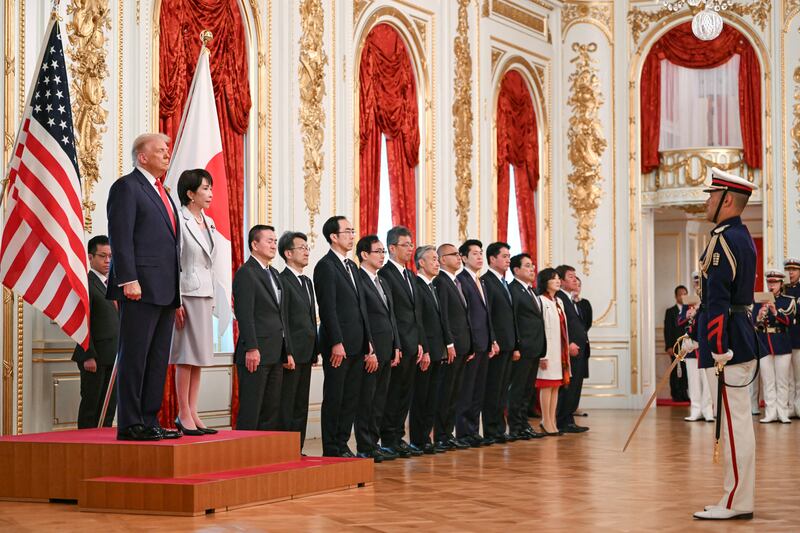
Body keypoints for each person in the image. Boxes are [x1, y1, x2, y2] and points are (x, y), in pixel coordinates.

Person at [693, 168, 759, 520]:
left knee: (734, 427)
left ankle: (737, 500)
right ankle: (733, 495)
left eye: (711, 195)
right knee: (735, 424)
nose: (707, 201)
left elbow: (718, 300)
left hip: (728, 344)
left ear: (727, 200)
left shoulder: (724, 239)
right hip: (734, 337)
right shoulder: (738, 236)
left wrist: (716, 347)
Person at [107, 133, 181, 441]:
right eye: (160, 150)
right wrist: (128, 279)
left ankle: (149, 419)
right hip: (138, 287)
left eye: (167, 150)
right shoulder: (127, 187)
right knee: (135, 356)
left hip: (165, 289)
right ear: (142, 157)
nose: (167, 154)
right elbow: (120, 237)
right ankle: (130, 423)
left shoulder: (163, 191)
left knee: (157, 358)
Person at [314, 216, 373, 458]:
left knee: (350, 399)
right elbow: (327, 309)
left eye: (352, 230)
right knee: (335, 398)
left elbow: (362, 307)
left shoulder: (352, 267)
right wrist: (336, 342)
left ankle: (342, 443)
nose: (352, 235)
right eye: (347, 231)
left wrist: (368, 341)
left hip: (358, 344)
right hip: (338, 345)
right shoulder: (325, 266)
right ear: (334, 237)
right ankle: (331, 447)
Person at [170, 169, 219, 436]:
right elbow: (173, 261)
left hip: (204, 293)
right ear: (190, 193)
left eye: (210, 188)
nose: (210, 193)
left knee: (199, 357)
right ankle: (182, 412)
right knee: (185, 356)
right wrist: (175, 299)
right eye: (204, 189)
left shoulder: (208, 221)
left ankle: (193, 409)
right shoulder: (179, 218)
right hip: (186, 293)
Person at [232, 225, 290, 431]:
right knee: (252, 408)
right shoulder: (246, 273)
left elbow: (281, 315)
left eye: (275, 241)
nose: (274, 245)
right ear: (254, 245)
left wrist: (287, 350)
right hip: (255, 352)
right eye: (269, 240)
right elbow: (244, 315)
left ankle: (264, 455)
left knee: (270, 408)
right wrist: (251, 348)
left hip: (275, 352)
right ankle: (243, 456)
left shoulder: (273, 273)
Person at [379, 226, 425, 457]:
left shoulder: (410, 275)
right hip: (397, 344)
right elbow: (392, 314)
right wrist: (397, 343)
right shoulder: (385, 274)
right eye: (405, 245)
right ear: (392, 248)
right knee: (392, 393)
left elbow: (417, 314)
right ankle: (387, 439)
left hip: (413, 343)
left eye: (411, 244)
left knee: (405, 394)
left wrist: (420, 343)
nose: (410, 249)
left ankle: (398, 437)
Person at [354, 235, 400, 463]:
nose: (383, 256)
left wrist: (396, 346)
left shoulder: (382, 280)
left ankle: (374, 442)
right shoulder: (358, 279)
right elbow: (362, 319)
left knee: (380, 399)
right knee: (367, 400)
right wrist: (368, 349)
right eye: (378, 252)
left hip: (387, 348)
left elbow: (391, 316)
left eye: (383, 251)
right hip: (371, 350)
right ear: (364, 254)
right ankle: (364, 445)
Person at [278, 231, 319, 451]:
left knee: (301, 405)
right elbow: (283, 319)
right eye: (301, 247)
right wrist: (288, 352)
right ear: (287, 253)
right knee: (288, 403)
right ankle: (284, 448)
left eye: (307, 248)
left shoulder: (307, 281)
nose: (306, 251)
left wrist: (315, 350)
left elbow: (311, 319)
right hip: (291, 354)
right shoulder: (282, 280)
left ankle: (297, 448)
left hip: (307, 351)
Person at [72, 236, 119, 429]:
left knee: (109, 408)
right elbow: (81, 322)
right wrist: (88, 355)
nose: (108, 260)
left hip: (115, 357)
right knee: (91, 407)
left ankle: (104, 447)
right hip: (94, 358)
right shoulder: (86, 284)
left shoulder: (115, 284)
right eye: (102, 256)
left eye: (110, 256)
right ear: (90, 257)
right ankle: (85, 448)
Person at [411, 245, 454, 454]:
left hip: (438, 350)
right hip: (426, 351)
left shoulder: (434, 286)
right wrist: (425, 349)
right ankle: (419, 439)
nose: (437, 263)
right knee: (422, 397)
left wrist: (447, 345)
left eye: (438, 259)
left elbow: (442, 319)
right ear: (421, 263)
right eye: (433, 259)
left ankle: (427, 438)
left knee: (433, 397)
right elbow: (419, 322)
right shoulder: (417, 285)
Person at [456, 239, 499, 447]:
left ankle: (473, 431)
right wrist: (472, 344)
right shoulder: (461, 280)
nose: (480, 256)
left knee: (478, 391)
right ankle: (463, 433)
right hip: (472, 345)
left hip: (485, 343)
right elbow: (466, 317)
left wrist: (493, 340)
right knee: (467, 390)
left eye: (481, 253)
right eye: (475, 253)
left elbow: (486, 314)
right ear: (463, 258)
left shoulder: (480, 281)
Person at [432, 244, 472, 451]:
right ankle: (440, 435)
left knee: (455, 392)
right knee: (445, 392)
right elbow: (444, 317)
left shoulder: (457, 282)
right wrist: (449, 343)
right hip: (451, 347)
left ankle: (448, 434)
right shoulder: (440, 281)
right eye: (454, 254)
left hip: (463, 346)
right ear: (441, 259)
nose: (458, 257)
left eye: (458, 254)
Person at [480, 242, 518, 442]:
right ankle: (490, 429)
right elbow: (489, 316)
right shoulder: (486, 281)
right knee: (492, 389)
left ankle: (499, 428)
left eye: (509, 256)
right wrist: (493, 340)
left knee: (502, 389)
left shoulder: (505, 283)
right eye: (504, 256)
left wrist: (515, 344)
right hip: (496, 345)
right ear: (492, 259)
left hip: (509, 344)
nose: (508, 260)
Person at [507, 253, 546, 440]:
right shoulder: (513, 289)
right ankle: (515, 426)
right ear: (516, 270)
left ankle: (524, 425)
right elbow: (513, 320)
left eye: (533, 265)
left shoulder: (531, 290)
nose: (532, 269)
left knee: (527, 390)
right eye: (528, 266)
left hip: (535, 347)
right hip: (523, 348)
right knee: (518, 389)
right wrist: (517, 346)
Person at [754, 270, 795, 424]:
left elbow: (789, 320)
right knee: (768, 381)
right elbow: (753, 324)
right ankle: (771, 412)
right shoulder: (759, 301)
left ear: (780, 284)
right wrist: (759, 316)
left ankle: (783, 412)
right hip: (765, 344)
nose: (771, 286)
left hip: (782, 344)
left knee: (782, 381)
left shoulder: (788, 301)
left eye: (774, 283)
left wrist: (774, 311)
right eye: (769, 282)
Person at [554, 265, 589, 433]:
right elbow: (561, 325)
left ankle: (568, 419)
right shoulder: (559, 297)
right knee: (568, 386)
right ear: (560, 281)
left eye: (575, 276)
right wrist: (568, 344)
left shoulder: (570, 298)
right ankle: (562, 420)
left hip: (579, 349)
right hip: (570, 349)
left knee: (575, 386)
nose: (575, 279)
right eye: (570, 277)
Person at [535, 268, 569, 436]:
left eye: (558, 278)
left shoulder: (559, 302)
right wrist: (543, 354)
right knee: (546, 386)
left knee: (556, 387)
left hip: (559, 351)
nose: (558, 281)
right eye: (553, 278)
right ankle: (545, 420)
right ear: (545, 282)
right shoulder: (541, 300)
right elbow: (540, 329)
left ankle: (552, 420)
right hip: (547, 351)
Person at [678, 272, 714, 422]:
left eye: (701, 283)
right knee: (693, 380)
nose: (698, 286)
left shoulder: (710, 300)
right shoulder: (688, 302)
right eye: (696, 283)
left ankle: (707, 410)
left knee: (707, 381)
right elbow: (679, 321)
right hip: (692, 348)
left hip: (706, 345)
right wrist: (687, 315)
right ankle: (695, 409)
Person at [665, 285, 690, 402]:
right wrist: (669, 346)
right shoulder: (670, 311)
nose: (683, 296)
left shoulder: (691, 310)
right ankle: (675, 393)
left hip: (688, 345)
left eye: (685, 294)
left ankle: (684, 392)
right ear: (676, 296)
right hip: (675, 345)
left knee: (686, 370)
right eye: (680, 294)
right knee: (675, 371)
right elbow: (667, 329)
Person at [573, 276, 593, 417]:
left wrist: (577, 303)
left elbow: (587, 323)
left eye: (579, 285)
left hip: (583, 345)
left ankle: (575, 406)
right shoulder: (564, 301)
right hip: (570, 346)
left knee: (579, 379)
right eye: (575, 284)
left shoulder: (584, 303)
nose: (577, 287)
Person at [784, 258, 800, 417]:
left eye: (794, 270)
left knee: (799, 377)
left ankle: (798, 406)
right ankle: (789, 407)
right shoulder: (783, 290)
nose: (791, 273)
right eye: (788, 270)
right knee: (787, 378)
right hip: (785, 339)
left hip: (798, 338)